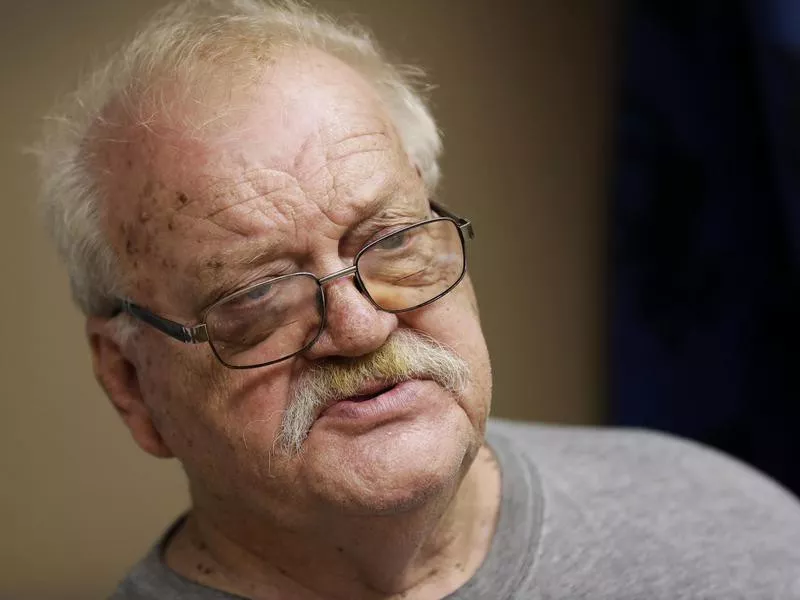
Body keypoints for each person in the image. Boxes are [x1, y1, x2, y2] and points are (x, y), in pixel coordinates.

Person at [34, 1, 800, 599]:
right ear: (129, 384)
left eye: (390, 242)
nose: (362, 326)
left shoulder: (721, 517)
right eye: (260, 292)